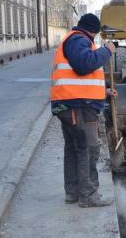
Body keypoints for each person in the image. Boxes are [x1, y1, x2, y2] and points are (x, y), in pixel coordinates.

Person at [50, 13, 117, 208]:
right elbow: (83, 65)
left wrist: (103, 91)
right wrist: (107, 51)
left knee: (73, 148)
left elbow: (79, 76)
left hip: (71, 104)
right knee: (88, 149)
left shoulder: (73, 40)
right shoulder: (78, 39)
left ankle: (73, 192)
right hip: (79, 107)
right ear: (93, 31)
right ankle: (88, 195)